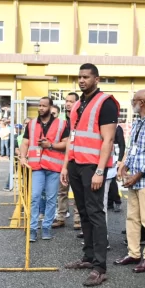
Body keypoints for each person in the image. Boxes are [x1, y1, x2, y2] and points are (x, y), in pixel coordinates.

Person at [62, 63, 119, 286]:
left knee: (95, 213)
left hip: (92, 166)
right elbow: (72, 137)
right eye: (80, 77)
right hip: (76, 164)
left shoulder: (105, 103)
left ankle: (100, 266)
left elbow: (108, 140)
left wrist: (99, 171)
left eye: (86, 77)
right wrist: (65, 166)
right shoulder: (78, 104)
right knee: (83, 211)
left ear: (97, 79)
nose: (82, 80)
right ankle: (88, 257)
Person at [114, 90, 145, 274]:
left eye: (134, 100)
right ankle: (133, 253)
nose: (132, 102)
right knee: (132, 217)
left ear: (141, 102)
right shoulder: (137, 122)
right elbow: (132, 148)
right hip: (133, 178)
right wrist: (124, 166)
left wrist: (138, 175)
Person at [20, 97, 69, 241]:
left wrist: (51, 145)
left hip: (53, 167)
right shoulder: (32, 124)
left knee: (51, 199)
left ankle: (46, 227)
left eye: (44, 106)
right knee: (35, 197)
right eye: (39, 106)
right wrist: (23, 157)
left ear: (50, 107)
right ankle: (33, 228)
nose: (41, 108)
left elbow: (67, 144)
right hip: (37, 166)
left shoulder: (61, 124)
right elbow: (25, 142)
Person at [54, 92, 81, 230]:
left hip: (78, 160)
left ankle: (78, 219)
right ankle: (60, 217)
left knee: (77, 192)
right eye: (66, 101)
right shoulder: (61, 122)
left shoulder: (80, 118)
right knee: (62, 191)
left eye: (71, 101)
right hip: (62, 161)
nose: (68, 103)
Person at [107, 124, 126, 213]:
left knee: (112, 182)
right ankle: (109, 203)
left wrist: (120, 160)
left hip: (115, 157)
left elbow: (122, 145)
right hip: (106, 155)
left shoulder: (117, 128)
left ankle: (117, 201)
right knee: (107, 181)